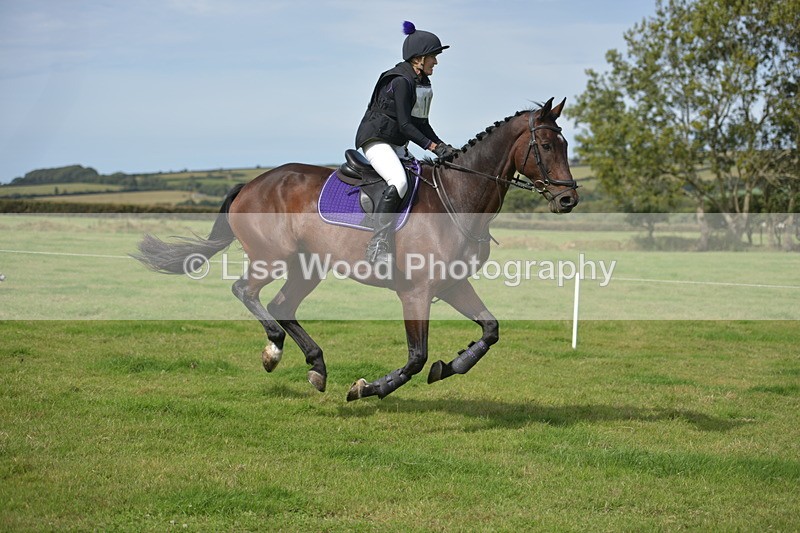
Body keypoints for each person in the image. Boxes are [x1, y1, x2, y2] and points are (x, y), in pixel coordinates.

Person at [355, 20, 459, 267]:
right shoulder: (401, 81)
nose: (436, 62)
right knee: (399, 181)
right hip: (377, 140)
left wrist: (442, 145)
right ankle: (378, 245)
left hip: (397, 143)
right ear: (419, 58)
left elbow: (422, 124)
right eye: (433, 56)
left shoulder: (421, 82)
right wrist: (432, 147)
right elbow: (405, 125)